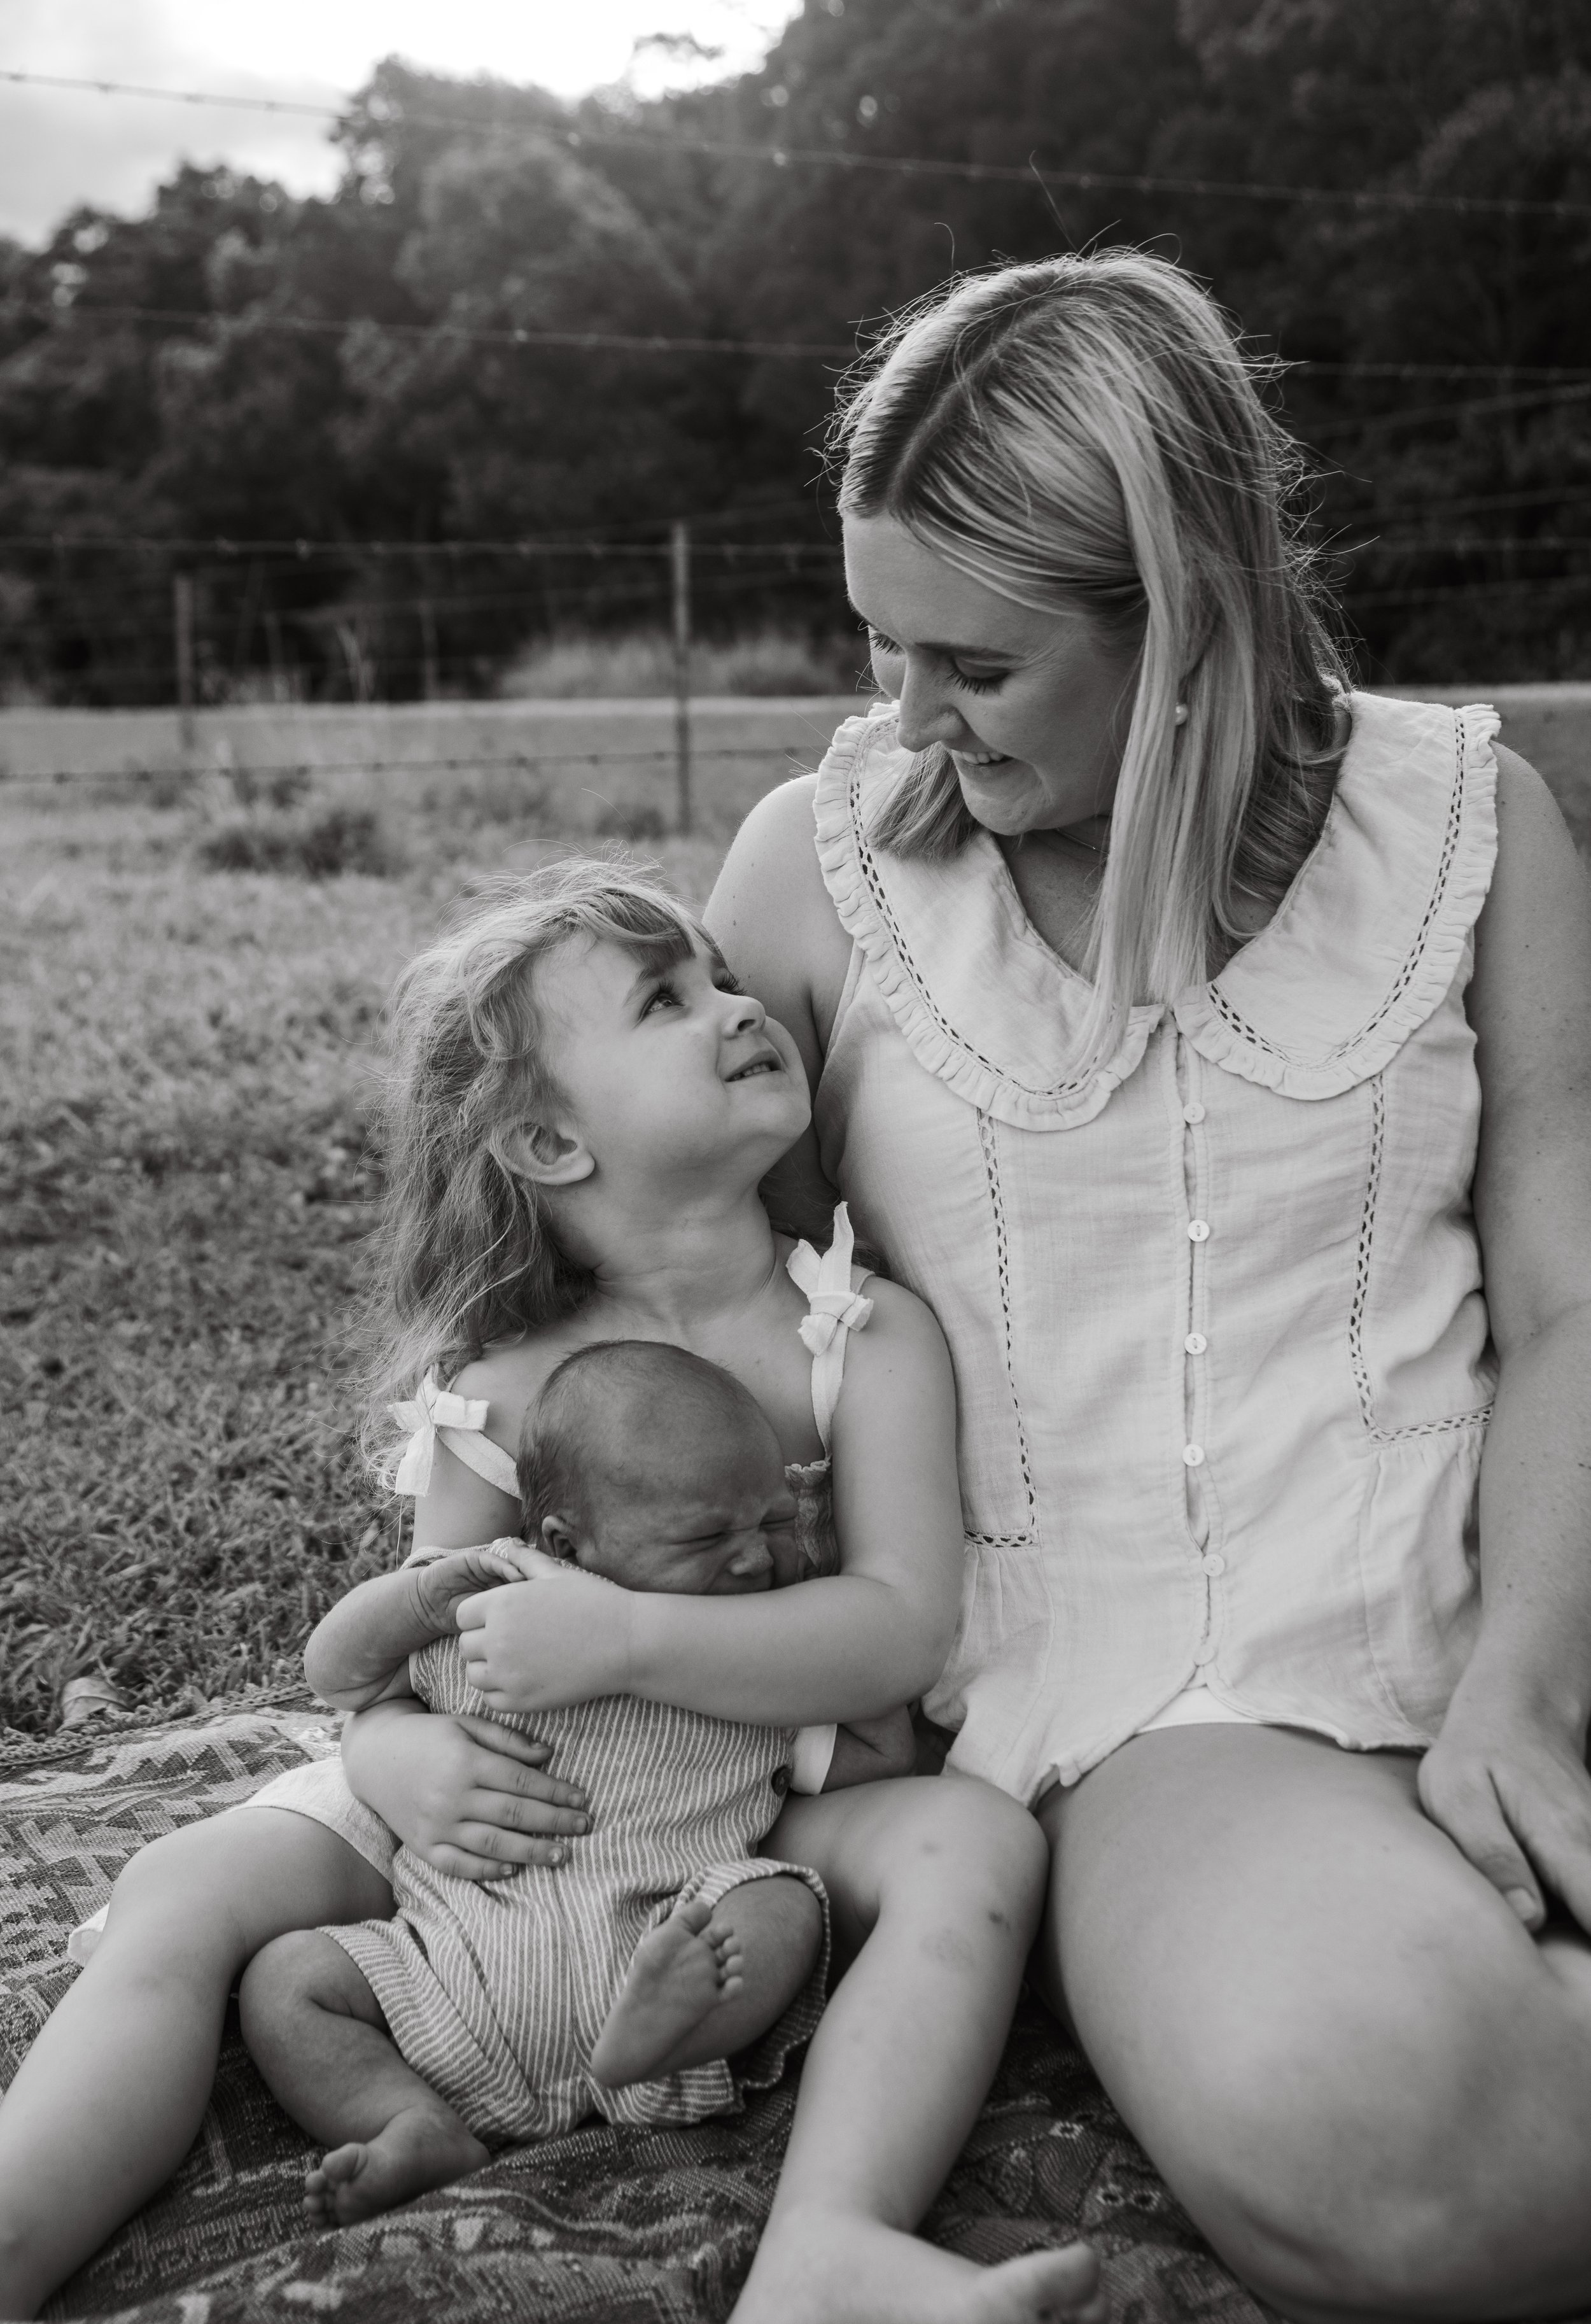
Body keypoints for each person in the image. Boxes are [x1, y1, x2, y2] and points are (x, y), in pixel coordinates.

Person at [692, 248, 1591, 2321]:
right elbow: (710, 1345)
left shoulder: (1476, 819)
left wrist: (1526, 1670)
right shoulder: (818, 877)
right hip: (1170, 1703)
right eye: (880, 642)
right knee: (1413, 2140)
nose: (903, 712)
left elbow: (1564, 1308)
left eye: (977, 667)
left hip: (1520, 1595)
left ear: (1183, 620)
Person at [0, 859, 1103, 2324]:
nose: (734, 1006)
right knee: (186, 1885)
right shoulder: (498, 1385)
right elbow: (402, 1639)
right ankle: (22, 2220)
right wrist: (402, 1758)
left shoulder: (853, 1331)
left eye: (718, 975)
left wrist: (631, 1633)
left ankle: (829, 2236)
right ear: (547, 1140)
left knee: (972, 1845)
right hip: (502, 1798)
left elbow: (897, 1621)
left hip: (758, 1775)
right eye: (666, 998)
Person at [239, 1339, 912, 2229]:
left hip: (668, 1967)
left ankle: (667, 2032)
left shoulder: (746, 1668)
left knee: (782, 1902)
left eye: (776, 1523)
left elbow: (881, 1746)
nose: (755, 1561)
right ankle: (414, 2119)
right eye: (709, 1536)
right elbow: (334, 1672)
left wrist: (820, 1622)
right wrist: (429, 1596)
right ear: (564, 1542)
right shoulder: (493, 1617)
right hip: (447, 1992)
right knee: (287, 1981)